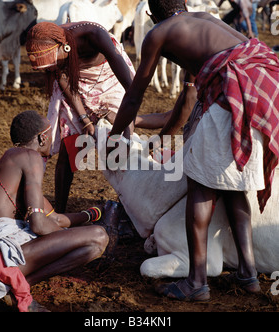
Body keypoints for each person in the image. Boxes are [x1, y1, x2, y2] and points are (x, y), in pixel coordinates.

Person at [107, 0, 279, 301]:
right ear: (185, 4)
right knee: (233, 187)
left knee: (200, 186)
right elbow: (188, 99)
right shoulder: (204, 19)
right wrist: (163, 135)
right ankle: (248, 274)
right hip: (261, 91)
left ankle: (196, 281)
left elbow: (134, 95)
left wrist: (115, 134)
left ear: (150, 15)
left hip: (233, 95)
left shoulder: (158, 33)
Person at [0, 110, 115, 311]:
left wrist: (92, 214)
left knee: (91, 246)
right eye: (53, 133)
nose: (55, 138)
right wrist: (70, 237)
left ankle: (15, 288)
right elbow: (39, 224)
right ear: (43, 137)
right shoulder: (30, 157)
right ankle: (16, 289)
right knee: (98, 237)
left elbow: (56, 219)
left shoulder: (12, 163)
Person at [26, 21, 136, 213]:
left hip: (110, 77)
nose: (53, 66)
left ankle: (129, 208)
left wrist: (125, 125)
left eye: (55, 60)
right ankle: (59, 212)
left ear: (64, 47)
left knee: (121, 147)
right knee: (69, 148)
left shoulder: (94, 35)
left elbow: (130, 88)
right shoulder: (48, 45)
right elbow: (62, 78)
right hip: (75, 81)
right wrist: (84, 119)